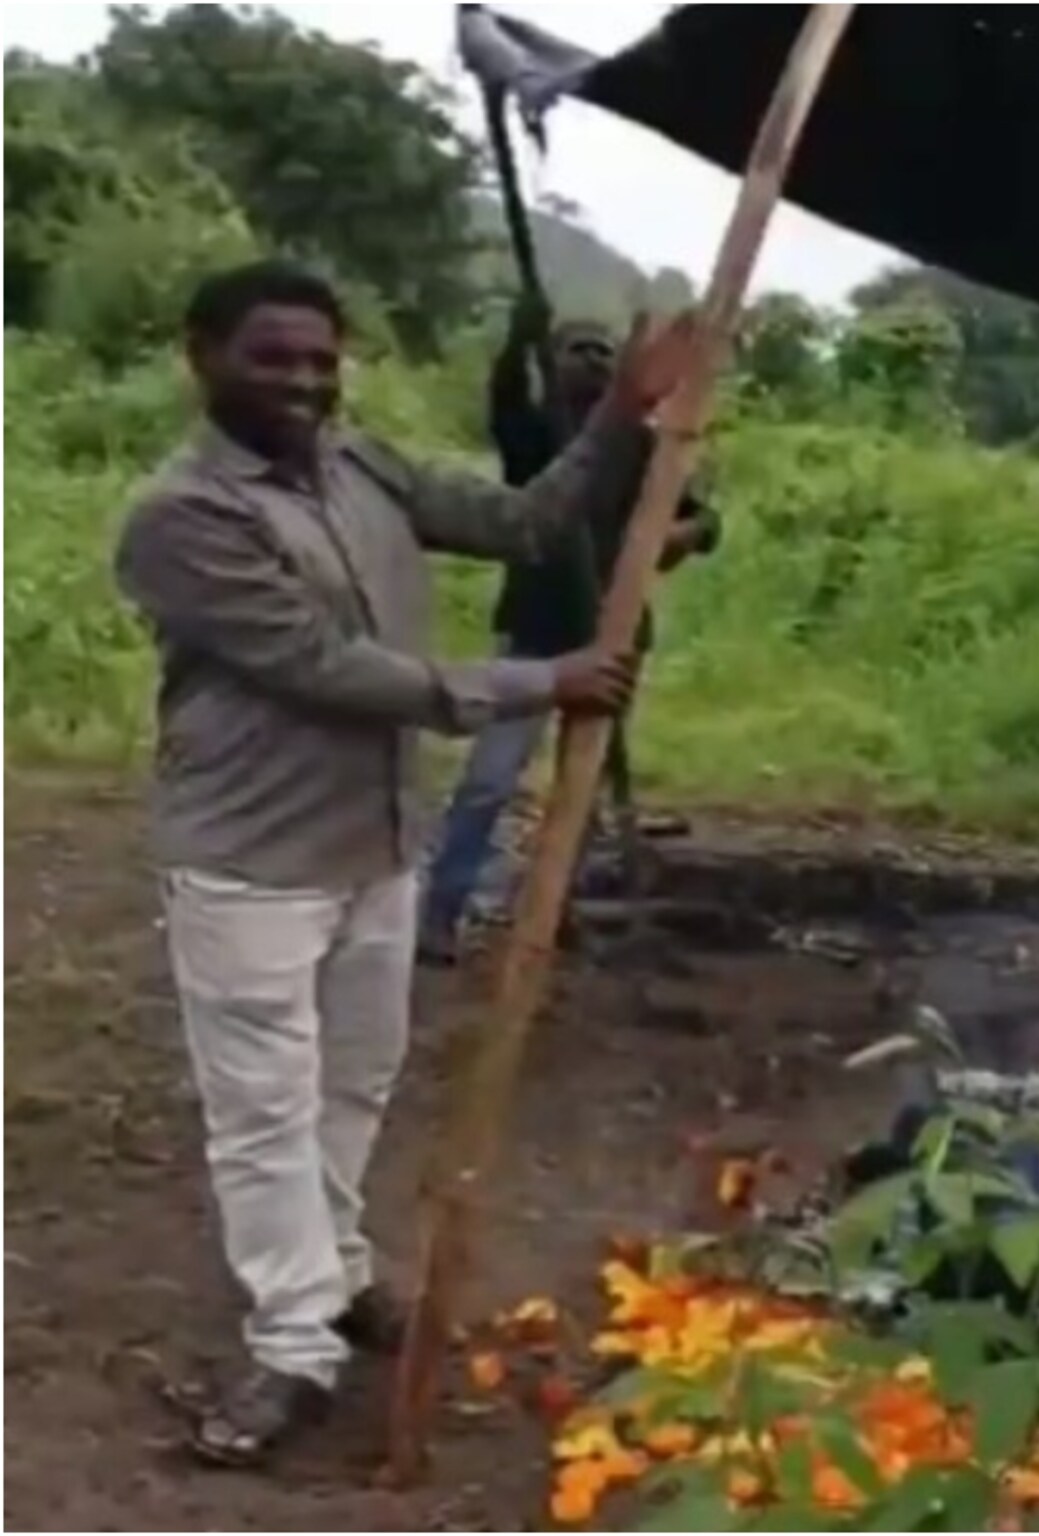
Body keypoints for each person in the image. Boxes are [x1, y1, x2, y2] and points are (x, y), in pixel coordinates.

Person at [112, 260, 693, 1466]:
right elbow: (325, 666)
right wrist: (541, 681)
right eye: (274, 357)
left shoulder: (362, 465)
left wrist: (619, 417)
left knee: (357, 1083)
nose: (305, 382)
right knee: (264, 1114)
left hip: (375, 846)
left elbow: (527, 523)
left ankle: (337, 1274)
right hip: (250, 861)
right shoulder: (182, 517)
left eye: (322, 359)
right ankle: (290, 1346)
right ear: (201, 356)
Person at [417, 298, 719, 963]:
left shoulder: (646, 448)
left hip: (611, 634)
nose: (588, 359)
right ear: (550, 363)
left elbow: (703, 522)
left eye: (601, 350)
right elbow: (503, 403)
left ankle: (554, 910)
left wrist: (674, 534)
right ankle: (440, 912)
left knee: (579, 790)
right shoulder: (536, 437)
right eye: (574, 348)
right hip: (534, 629)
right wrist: (515, 345)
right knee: (490, 781)